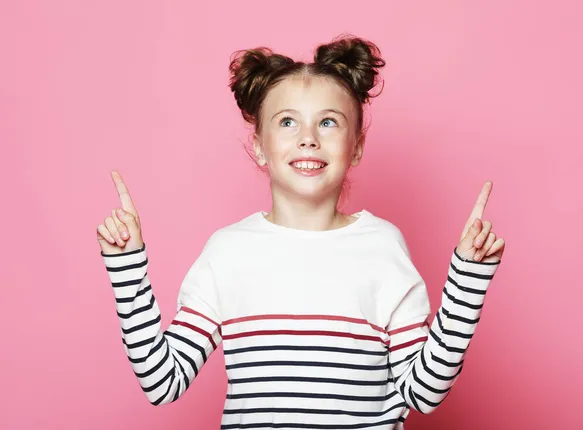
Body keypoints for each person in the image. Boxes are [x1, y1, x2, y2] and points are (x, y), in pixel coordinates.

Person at [96, 35, 505, 429]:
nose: (308, 139)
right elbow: (162, 381)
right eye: (288, 122)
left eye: (328, 122)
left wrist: (468, 279)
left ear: (357, 146)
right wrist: (126, 265)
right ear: (259, 145)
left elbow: (424, 393)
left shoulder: (382, 247)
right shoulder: (228, 252)